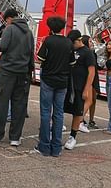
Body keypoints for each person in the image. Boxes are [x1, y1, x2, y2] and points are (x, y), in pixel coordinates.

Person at [0, 9, 35, 147]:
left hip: (7, 71)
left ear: (9, 18)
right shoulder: (29, 32)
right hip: (23, 73)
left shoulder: (9, 29)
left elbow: (2, 46)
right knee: (19, 105)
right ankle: (15, 137)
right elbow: (31, 52)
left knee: (2, 103)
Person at [33, 16, 74, 156]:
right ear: (62, 28)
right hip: (63, 81)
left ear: (50, 28)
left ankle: (44, 146)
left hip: (48, 79)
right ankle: (56, 147)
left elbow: (40, 58)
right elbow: (72, 63)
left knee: (46, 112)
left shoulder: (48, 41)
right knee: (58, 113)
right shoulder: (68, 42)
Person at [63, 30, 96, 150]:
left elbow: (91, 72)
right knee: (60, 108)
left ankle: (72, 136)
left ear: (78, 40)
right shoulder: (71, 50)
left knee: (77, 112)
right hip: (67, 85)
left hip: (79, 86)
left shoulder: (88, 53)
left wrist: (86, 89)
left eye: (73, 43)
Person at [81, 35, 99, 132]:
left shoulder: (92, 53)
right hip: (89, 78)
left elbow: (96, 67)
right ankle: (80, 120)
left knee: (93, 100)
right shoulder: (87, 53)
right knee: (89, 100)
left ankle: (90, 120)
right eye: (90, 41)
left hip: (93, 78)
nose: (92, 43)